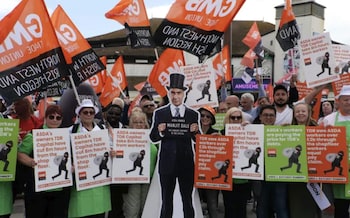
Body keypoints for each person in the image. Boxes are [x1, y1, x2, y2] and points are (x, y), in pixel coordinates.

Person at [149, 73, 201, 218]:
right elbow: (152, 137)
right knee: (166, 201)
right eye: (173, 92)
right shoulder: (160, 113)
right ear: (168, 92)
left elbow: (199, 140)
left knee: (187, 200)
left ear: (184, 93)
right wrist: (159, 132)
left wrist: (195, 132)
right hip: (167, 164)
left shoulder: (193, 114)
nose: (175, 96)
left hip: (186, 164)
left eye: (178, 92)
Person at [17, 104, 71, 218]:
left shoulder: (66, 136)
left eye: (58, 117)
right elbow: (20, 154)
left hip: (59, 190)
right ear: (45, 118)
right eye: (51, 117)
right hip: (38, 190)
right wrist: (30, 161)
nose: (55, 120)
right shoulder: (33, 135)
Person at [68, 99, 111, 218]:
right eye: (85, 112)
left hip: (99, 183)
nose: (88, 115)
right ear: (79, 114)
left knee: (99, 213)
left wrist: (112, 152)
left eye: (91, 112)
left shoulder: (103, 130)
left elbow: (110, 147)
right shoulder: (71, 130)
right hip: (81, 180)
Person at [287, 102, 322, 218]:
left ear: (309, 113)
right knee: (296, 206)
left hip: (313, 175)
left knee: (311, 207)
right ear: (294, 114)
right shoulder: (288, 129)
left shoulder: (317, 129)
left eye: (303, 111)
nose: (300, 114)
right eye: (298, 111)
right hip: (295, 177)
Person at [123, 110, 158, 218]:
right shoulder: (124, 138)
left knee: (146, 209)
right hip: (132, 180)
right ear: (131, 124)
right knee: (132, 210)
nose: (139, 125)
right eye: (136, 122)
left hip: (149, 179)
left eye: (141, 122)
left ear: (145, 124)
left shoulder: (152, 137)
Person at [321, 85, 350, 218]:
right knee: (341, 208)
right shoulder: (329, 119)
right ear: (338, 101)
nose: (348, 102)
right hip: (340, 171)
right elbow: (319, 142)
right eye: (345, 99)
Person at [256, 105, 289, 218]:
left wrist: (289, 130)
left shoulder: (281, 131)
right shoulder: (252, 131)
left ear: (275, 117)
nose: (268, 117)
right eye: (265, 115)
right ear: (260, 117)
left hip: (278, 175)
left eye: (271, 115)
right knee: (262, 207)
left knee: (281, 206)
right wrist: (243, 127)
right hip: (260, 176)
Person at [220, 107, 251, 218]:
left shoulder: (248, 131)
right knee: (229, 208)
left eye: (239, 117)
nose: (236, 120)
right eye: (233, 117)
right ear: (228, 118)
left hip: (244, 179)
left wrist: (250, 129)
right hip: (228, 179)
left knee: (241, 209)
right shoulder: (222, 133)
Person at [104, 103, 127, 218]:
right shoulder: (99, 128)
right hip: (104, 174)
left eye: (117, 114)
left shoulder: (126, 130)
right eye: (111, 113)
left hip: (119, 174)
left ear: (121, 115)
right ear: (106, 114)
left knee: (117, 204)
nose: (113, 116)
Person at [197, 106, 220, 218]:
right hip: (193, 171)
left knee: (212, 204)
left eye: (208, 116)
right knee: (195, 202)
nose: (205, 118)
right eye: (202, 116)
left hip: (210, 173)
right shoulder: (192, 132)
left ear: (212, 120)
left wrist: (220, 139)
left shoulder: (216, 133)